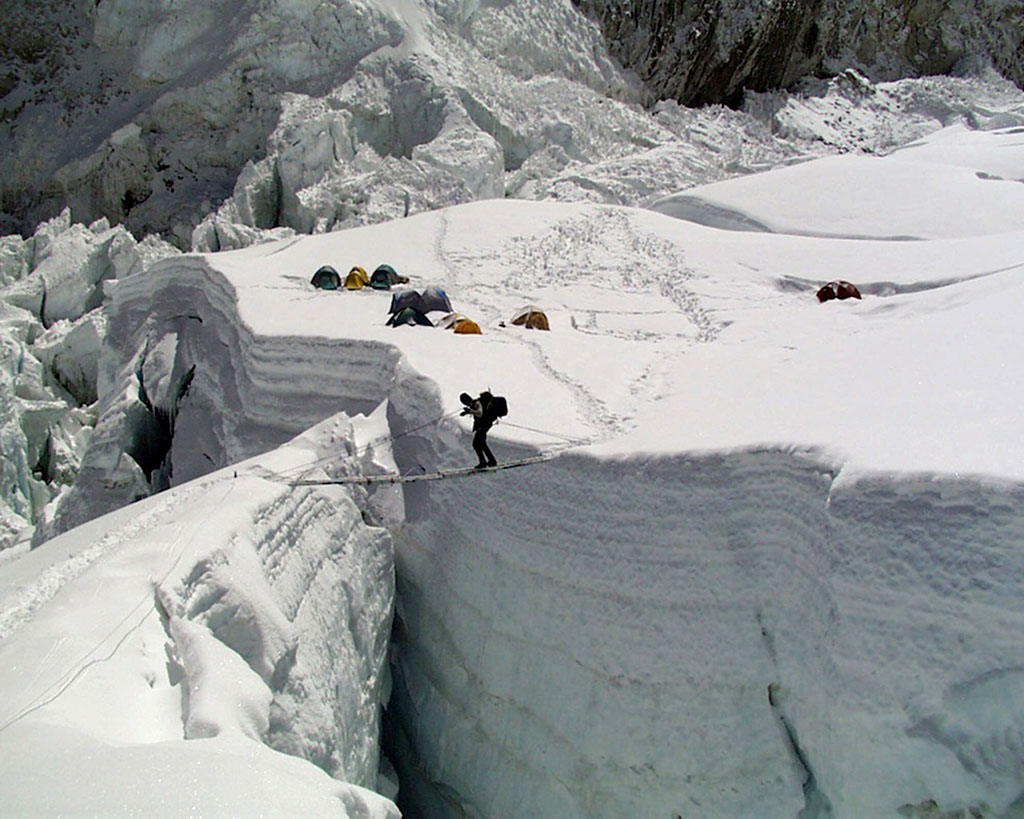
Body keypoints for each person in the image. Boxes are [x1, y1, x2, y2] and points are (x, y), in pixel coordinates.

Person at [460, 390, 499, 468]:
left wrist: (469, 411)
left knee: (476, 444)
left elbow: (480, 413)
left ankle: (483, 462)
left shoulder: (477, 403)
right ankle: (491, 461)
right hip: (485, 425)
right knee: (482, 443)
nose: (465, 404)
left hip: (483, 426)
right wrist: (467, 412)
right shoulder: (475, 404)